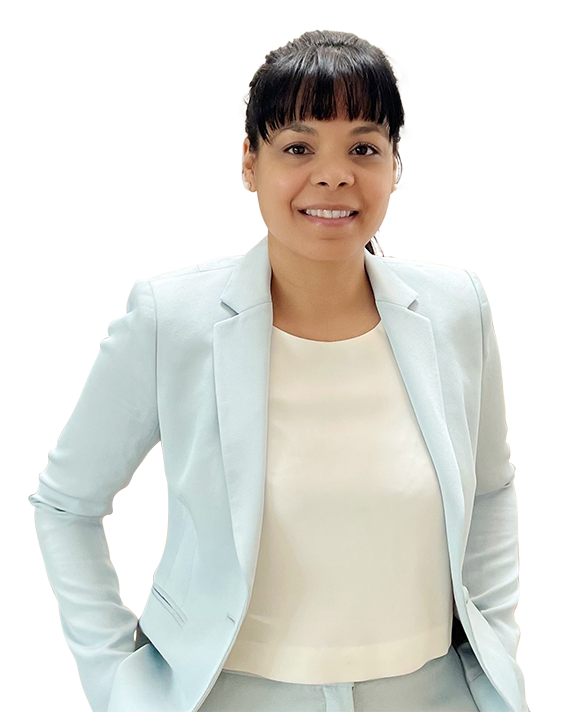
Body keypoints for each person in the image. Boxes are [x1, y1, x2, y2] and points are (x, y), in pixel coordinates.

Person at [30, 30, 528, 712]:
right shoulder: (172, 320)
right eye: (298, 147)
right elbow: (66, 505)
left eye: (363, 148)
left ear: (394, 165)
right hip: (233, 693)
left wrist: (497, 650)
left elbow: (493, 492)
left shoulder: (456, 310)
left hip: (433, 692)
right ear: (250, 163)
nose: (334, 174)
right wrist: (117, 682)